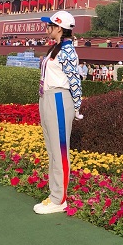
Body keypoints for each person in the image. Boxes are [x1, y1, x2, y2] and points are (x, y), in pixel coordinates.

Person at [35, 11, 82, 214]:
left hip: (59, 99)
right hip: (47, 97)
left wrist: (77, 106)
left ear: (59, 28)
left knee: (60, 150)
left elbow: (75, 80)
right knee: (52, 150)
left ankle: (59, 199)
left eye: (50, 25)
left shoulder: (68, 51)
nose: (47, 28)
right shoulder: (56, 48)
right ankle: (54, 194)